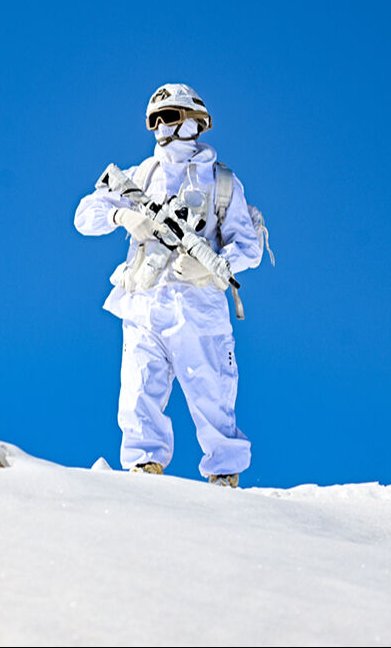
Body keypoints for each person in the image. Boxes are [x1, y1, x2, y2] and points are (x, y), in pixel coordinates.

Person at [74, 84, 263, 487]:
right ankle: (144, 474)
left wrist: (212, 268)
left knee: (213, 397)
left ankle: (225, 480)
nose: (161, 127)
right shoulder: (140, 177)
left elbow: (249, 247)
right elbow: (84, 214)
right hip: (144, 304)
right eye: (154, 120)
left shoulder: (222, 183)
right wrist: (121, 219)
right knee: (139, 394)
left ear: (196, 122)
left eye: (170, 117)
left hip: (201, 310)